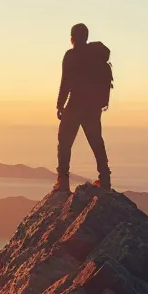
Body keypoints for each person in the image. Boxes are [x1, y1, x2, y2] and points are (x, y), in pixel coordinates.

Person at [55, 23, 112, 192]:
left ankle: (63, 181)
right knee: (96, 142)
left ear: (72, 38)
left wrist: (60, 104)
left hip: (75, 105)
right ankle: (105, 179)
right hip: (93, 107)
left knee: (64, 142)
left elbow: (66, 82)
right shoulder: (97, 55)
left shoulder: (71, 55)